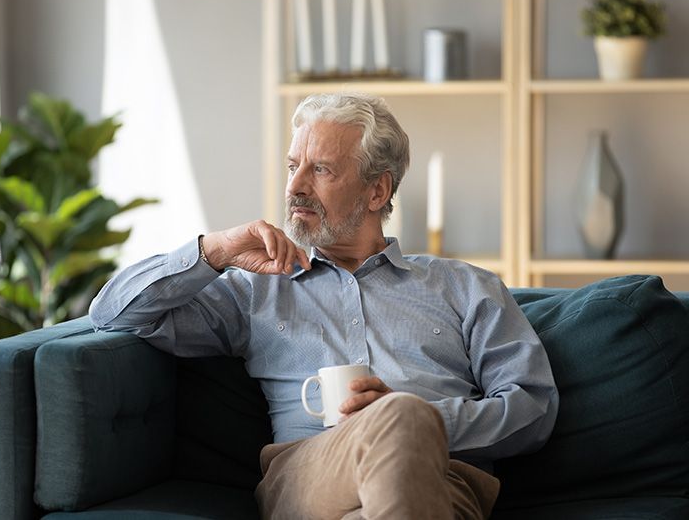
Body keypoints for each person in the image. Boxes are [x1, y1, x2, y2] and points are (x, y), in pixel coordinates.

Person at [89, 93, 559, 519]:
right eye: (293, 165)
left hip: (443, 479)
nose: (295, 186)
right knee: (402, 419)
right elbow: (112, 312)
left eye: (321, 170)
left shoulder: (466, 287)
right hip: (308, 476)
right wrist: (214, 250)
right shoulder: (259, 288)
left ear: (377, 191)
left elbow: (532, 408)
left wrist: (425, 422)